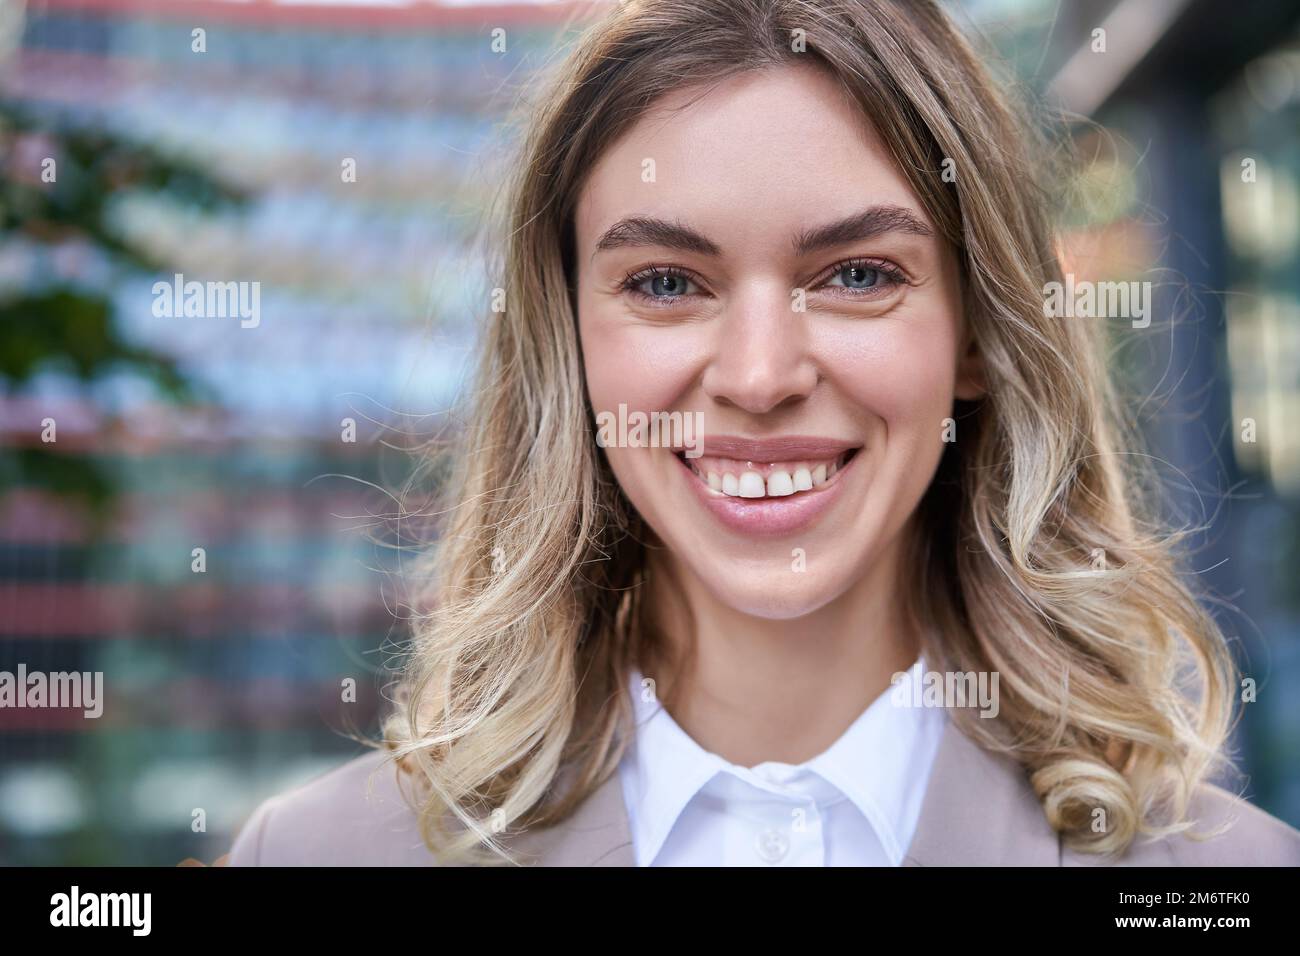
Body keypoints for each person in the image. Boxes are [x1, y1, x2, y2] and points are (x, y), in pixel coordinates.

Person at [227, 0, 1300, 867]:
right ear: (570, 342)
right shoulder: (318, 854)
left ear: (976, 334)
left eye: (857, 274)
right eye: (663, 281)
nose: (757, 376)